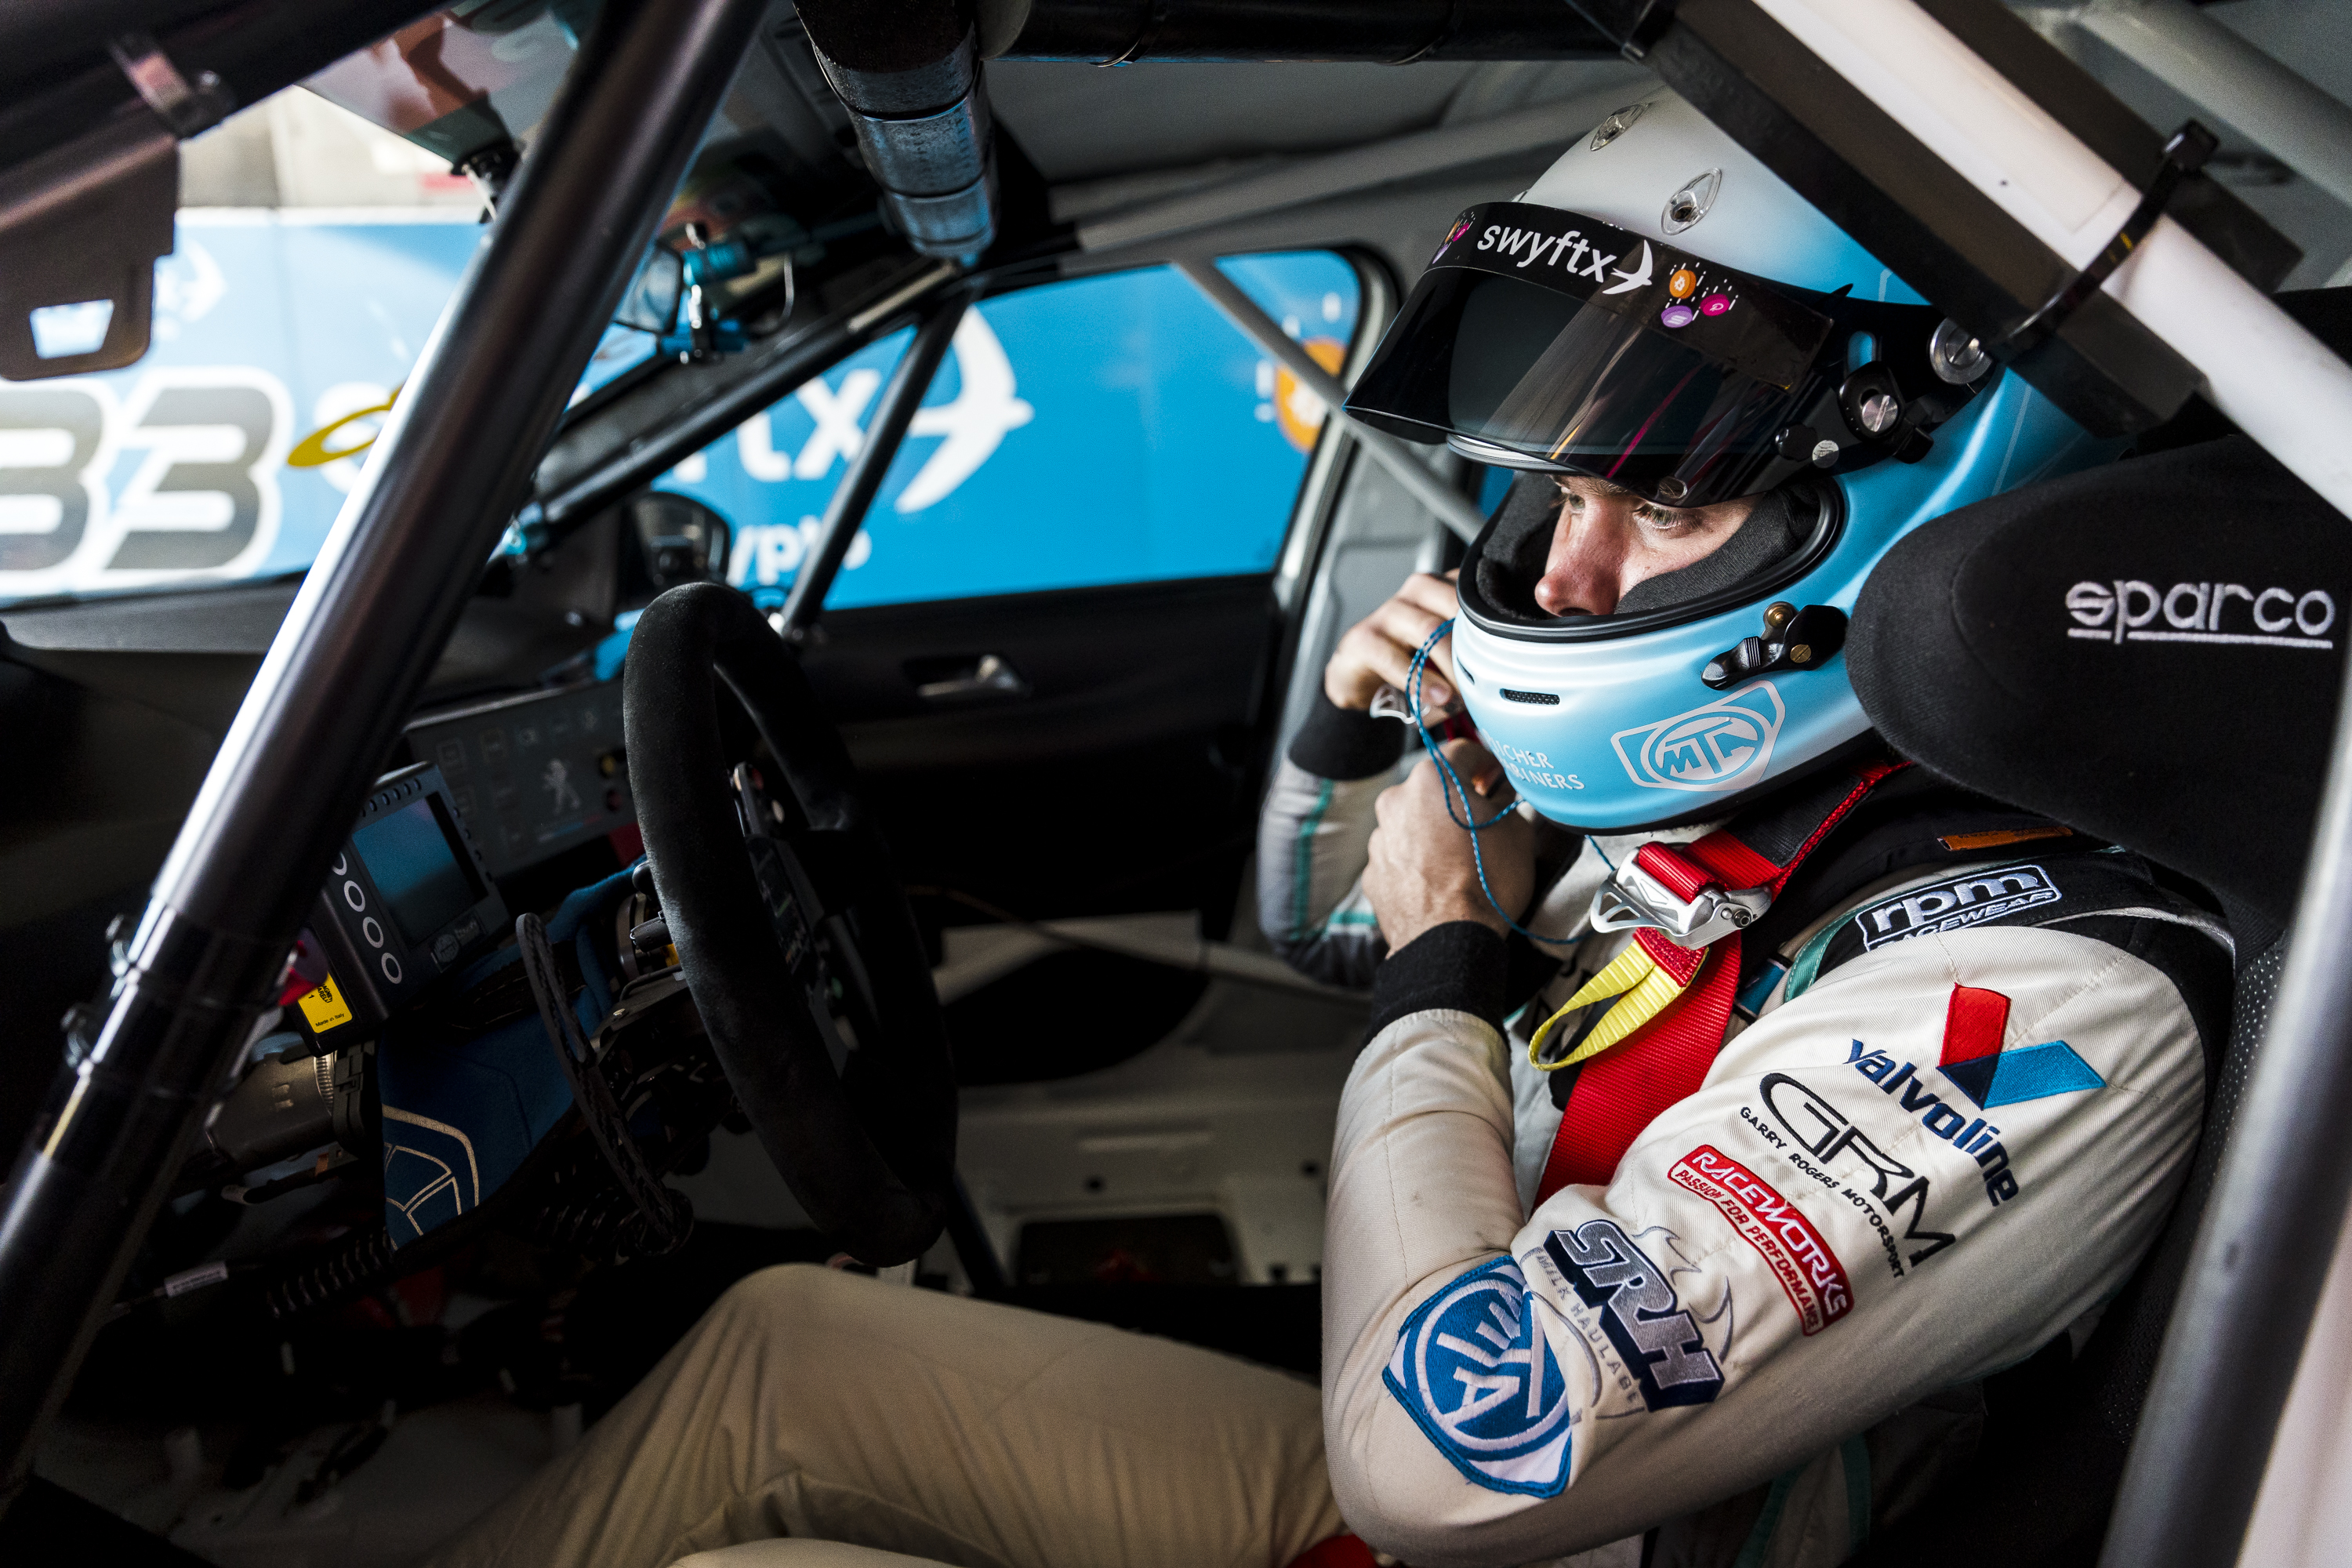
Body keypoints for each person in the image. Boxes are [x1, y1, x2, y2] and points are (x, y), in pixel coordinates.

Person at [426, 93, 2230, 1568]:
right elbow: (1322, 926)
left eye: (1661, 503)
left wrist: (1451, 961)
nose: (1568, 576)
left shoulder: (2032, 993)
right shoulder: (1767, 808)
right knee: (778, 1349)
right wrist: (1346, 734)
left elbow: (1450, 1459)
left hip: (1496, 1505)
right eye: (1556, 496)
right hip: (1420, 1472)